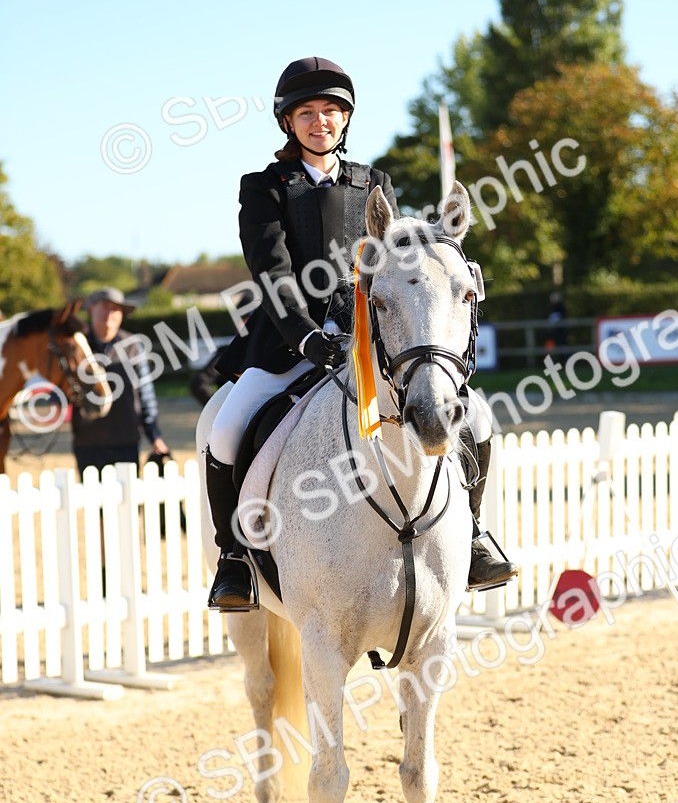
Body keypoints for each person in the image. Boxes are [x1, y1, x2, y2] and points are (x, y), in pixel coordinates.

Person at [204, 55, 517, 610]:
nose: (319, 121)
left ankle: (471, 535)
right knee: (227, 430)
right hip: (287, 344)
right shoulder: (264, 187)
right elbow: (272, 274)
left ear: (345, 119)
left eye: (331, 111)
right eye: (307, 113)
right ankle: (234, 559)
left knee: (477, 419)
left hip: (365, 343)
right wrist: (306, 337)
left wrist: (365, 334)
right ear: (288, 122)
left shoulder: (373, 183)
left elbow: (389, 270)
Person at [71, 287, 170, 477]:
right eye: (105, 307)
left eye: (116, 309)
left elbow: (145, 394)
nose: (110, 313)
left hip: (126, 441)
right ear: (91, 309)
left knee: (127, 504)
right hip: (88, 443)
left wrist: (155, 436)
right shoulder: (76, 346)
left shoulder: (133, 346)